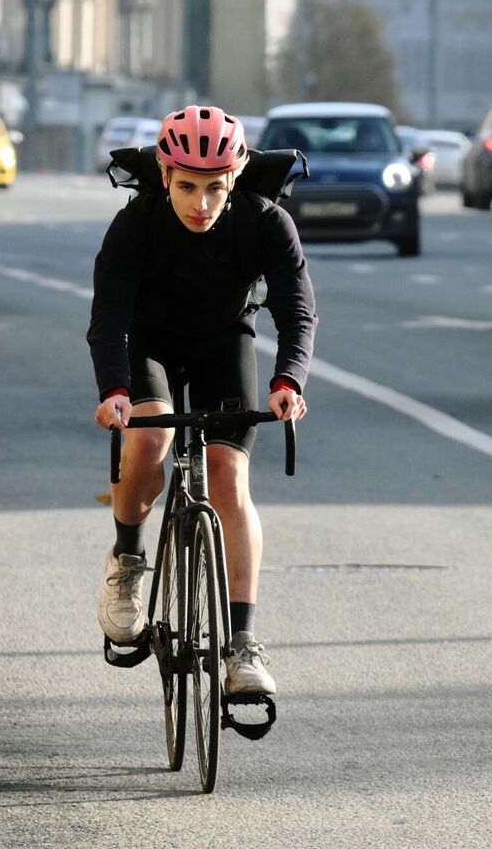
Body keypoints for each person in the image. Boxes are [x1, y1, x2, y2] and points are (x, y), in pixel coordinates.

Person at [86, 105, 317, 697]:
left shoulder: (267, 223)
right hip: (150, 344)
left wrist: (289, 380)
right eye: (187, 187)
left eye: (215, 188)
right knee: (151, 434)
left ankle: (243, 644)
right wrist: (114, 390)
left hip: (224, 342)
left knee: (229, 477)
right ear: (164, 176)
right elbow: (109, 316)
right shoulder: (134, 225)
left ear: (235, 179)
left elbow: (295, 309)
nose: (201, 203)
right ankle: (128, 562)